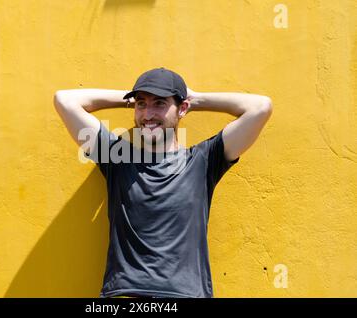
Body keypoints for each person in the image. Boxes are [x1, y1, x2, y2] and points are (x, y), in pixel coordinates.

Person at [53, 67, 272, 298]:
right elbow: (65, 100)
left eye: (159, 103)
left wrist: (195, 99)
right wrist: (129, 97)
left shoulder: (203, 161)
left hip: (186, 295)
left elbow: (260, 107)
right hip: (126, 295)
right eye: (141, 104)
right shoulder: (116, 158)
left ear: (182, 108)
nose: (148, 114)